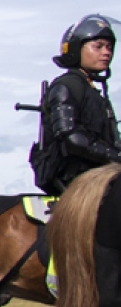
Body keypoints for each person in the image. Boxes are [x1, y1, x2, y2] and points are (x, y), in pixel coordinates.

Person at [34, 14, 119, 195]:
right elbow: (72, 139)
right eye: (98, 47)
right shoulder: (66, 86)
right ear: (75, 49)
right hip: (74, 178)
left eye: (109, 47)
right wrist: (116, 157)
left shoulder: (93, 91)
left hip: (99, 173)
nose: (106, 53)